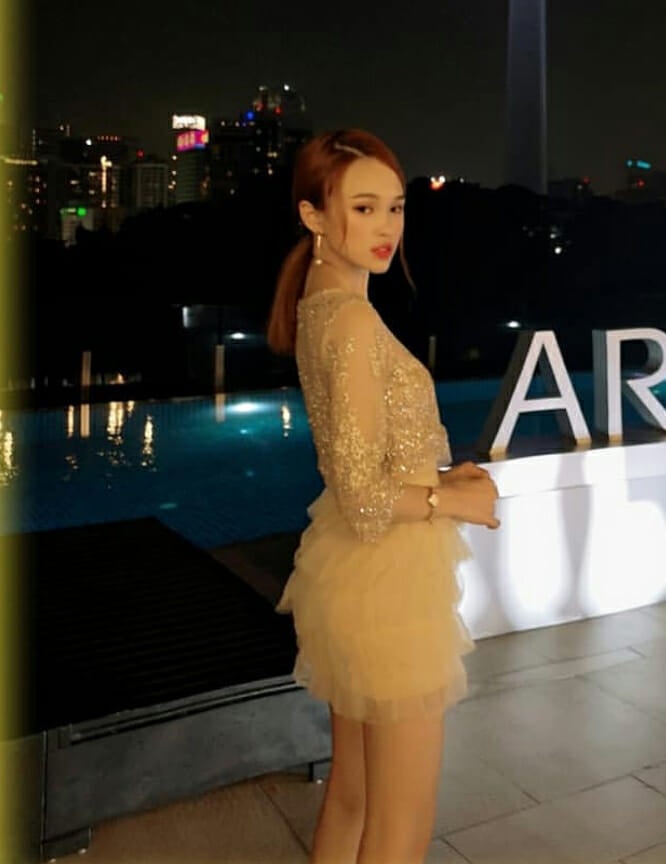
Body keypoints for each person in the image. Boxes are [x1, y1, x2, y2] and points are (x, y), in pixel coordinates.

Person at [266, 129, 500, 864]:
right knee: (400, 824)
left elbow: (356, 465)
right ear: (313, 215)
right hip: (389, 583)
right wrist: (453, 503)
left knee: (354, 796)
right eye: (363, 207)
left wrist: (444, 479)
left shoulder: (321, 303)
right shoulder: (353, 320)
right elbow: (365, 494)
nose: (386, 227)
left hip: (351, 574)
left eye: (395, 207)